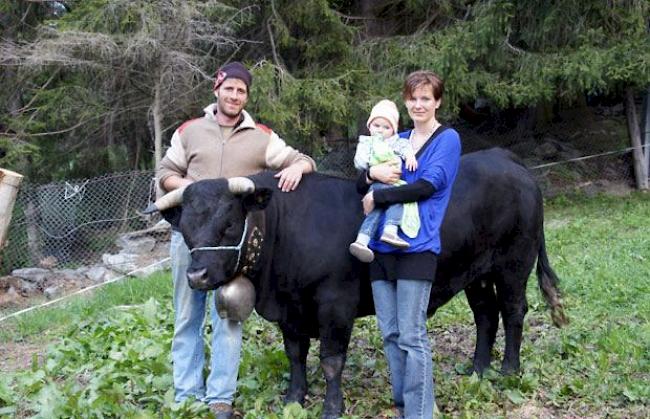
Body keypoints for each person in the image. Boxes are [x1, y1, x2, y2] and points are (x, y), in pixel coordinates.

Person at [157, 61, 316, 419]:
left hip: (233, 245)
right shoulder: (190, 131)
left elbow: (302, 158)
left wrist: (297, 166)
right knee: (187, 316)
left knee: (230, 314)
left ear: (246, 95)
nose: (234, 95)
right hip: (192, 239)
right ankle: (186, 393)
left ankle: (220, 398)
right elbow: (166, 173)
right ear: (217, 89)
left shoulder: (260, 135)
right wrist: (198, 192)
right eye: (229, 88)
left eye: (241, 90)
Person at [356, 70, 461, 418]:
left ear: (437, 102)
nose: (419, 105)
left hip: (417, 247)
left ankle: (419, 413)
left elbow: (428, 186)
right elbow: (362, 180)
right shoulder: (394, 138)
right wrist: (372, 176)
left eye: (426, 99)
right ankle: (403, 406)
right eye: (413, 99)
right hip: (381, 250)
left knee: (412, 336)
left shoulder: (447, 140)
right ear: (405, 102)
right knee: (389, 333)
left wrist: (381, 194)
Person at [349, 99, 419, 263]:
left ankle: (363, 240)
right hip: (377, 182)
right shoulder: (367, 143)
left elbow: (405, 147)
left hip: (392, 181)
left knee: (378, 209)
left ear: (393, 130)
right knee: (394, 199)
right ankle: (390, 229)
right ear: (370, 127)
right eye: (376, 126)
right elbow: (359, 162)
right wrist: (372, 168)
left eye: (386, 127)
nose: (380, 130)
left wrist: (410, 157)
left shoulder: (396, 142)